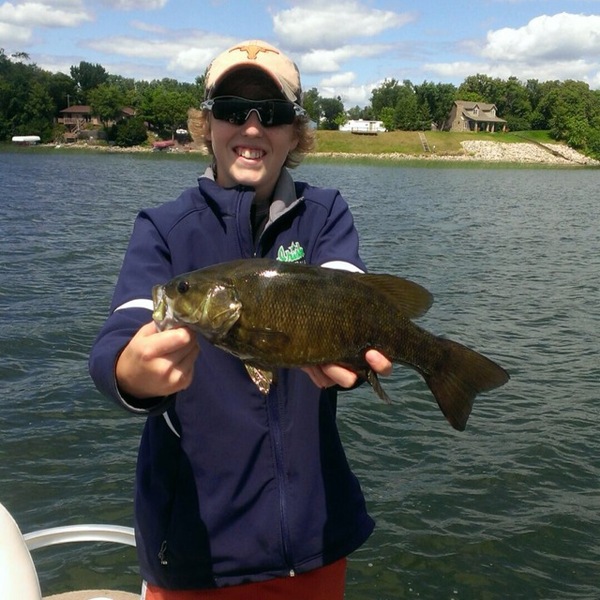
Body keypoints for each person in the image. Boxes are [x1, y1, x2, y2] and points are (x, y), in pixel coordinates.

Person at [89, 39, 392, 600]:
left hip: (316, 542)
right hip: (195, 554)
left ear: (296, 133)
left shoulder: (325, 214)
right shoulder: (163, 229)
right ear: (207, 125)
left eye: (272, 114)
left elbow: (346, 282)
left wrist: (351, 356)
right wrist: (131, 371)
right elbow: (119, 336)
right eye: (231, 110)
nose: (252, 128)